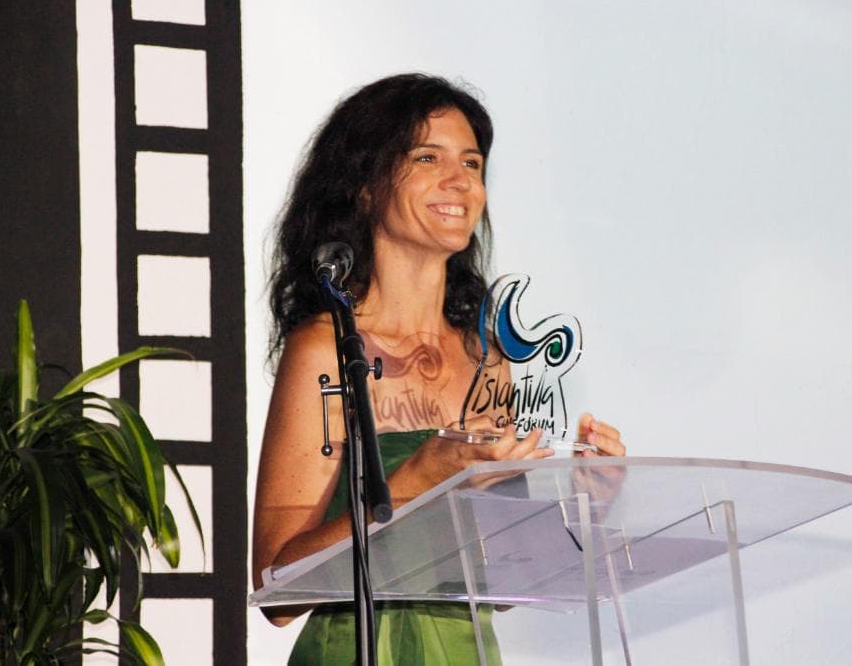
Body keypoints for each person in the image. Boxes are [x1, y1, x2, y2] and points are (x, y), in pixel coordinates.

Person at [252, 73, 625, 665]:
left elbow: (501, 580)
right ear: (364, 186)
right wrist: (418, 480)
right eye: (428, 157)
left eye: (472, 164)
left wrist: (583, 506)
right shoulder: (325, 351)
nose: (461, 182)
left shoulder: (487, 360)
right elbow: (277, 590)